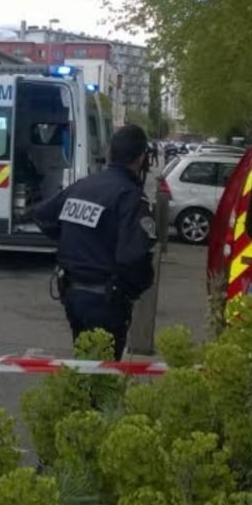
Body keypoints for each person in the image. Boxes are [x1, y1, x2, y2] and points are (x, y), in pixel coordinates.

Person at [33, 124, 156, 360]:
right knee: (102, 379)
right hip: (107, 301)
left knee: (83, 369)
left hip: (73, 295)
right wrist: (134, 288)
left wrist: (74, 241)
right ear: (142, 158)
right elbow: (134, 256)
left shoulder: (83, 186)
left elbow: (43, 216)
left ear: (110, 152)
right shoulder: (130, 196)